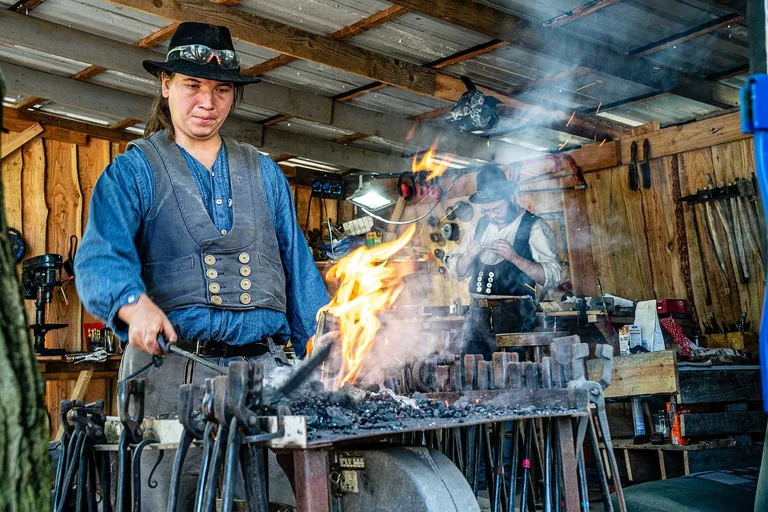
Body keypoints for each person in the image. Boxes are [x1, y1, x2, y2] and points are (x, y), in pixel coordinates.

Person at [74, 22, 329, 509]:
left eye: (221, 89)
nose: (206, 103)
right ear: (166, 85)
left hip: (265, 377)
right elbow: (99, 258)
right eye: (192, 86)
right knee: (172, 500)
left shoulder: (265, 172)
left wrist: (323, 343)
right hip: (173, 378)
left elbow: (298, 270)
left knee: (276, 501)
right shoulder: (134, 170)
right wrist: (135, 305)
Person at [448, 165, 562, 360]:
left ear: (510, 198)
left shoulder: (533, 226)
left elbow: (553, 277)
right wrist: (469, 255)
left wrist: (514, 257)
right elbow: (457, 271)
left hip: (515, 316)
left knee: (513, 374)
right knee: (471, 372)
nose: (492, 215)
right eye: (487, 211)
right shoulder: (479, 226)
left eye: (497, 209)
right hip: (476, 316)